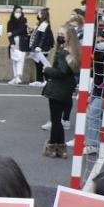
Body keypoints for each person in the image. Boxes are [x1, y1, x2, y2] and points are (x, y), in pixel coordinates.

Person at [38, 25, 78, 159]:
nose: (59, 36)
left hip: (58, 89)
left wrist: (47, 70)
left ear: (69, 36)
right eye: (59, 33)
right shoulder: (75, 52)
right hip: (67, 89)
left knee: (55, 121)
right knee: (57, 121)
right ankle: (60, 148)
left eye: (62, 34)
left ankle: (55, 148)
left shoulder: (63, 52)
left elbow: (61, 72)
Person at [28, 8, 54, 86]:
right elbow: (37, 35)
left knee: (43, 64)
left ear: (43, 14)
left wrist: (39, 46)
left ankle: (47, 80)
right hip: (37, 47)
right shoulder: (40, 23)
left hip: (43, 48)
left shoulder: (45, 24)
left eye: (39, 13)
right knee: (38, 63)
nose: (38, 15)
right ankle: (39, 80)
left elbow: (43, 36)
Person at [5, 5, 29, 85]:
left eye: (19, 12)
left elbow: (22, 30)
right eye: (17, 12)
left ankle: (18, 76)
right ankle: (15, 77)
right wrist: (11, 43)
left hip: (22, 42)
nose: (18, 13)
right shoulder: (10, 22)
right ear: (13, 12)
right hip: (14, 42)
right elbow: (8, 33)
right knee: (15, 60)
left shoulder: (24, 20)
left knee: (21, 59)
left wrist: (13, 33)